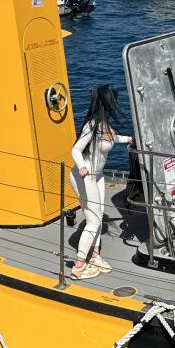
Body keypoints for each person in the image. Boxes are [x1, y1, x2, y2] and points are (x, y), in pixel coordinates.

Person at [68, 90, 132, 279]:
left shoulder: (104, 125)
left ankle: (94, 256)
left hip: (98, 175)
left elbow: (113, 138)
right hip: (85, 175)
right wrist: (81, 167)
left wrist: (129, 139)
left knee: (98, 217)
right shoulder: (92, 125)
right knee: (93, 221)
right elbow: (76, 149)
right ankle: (79, 267)